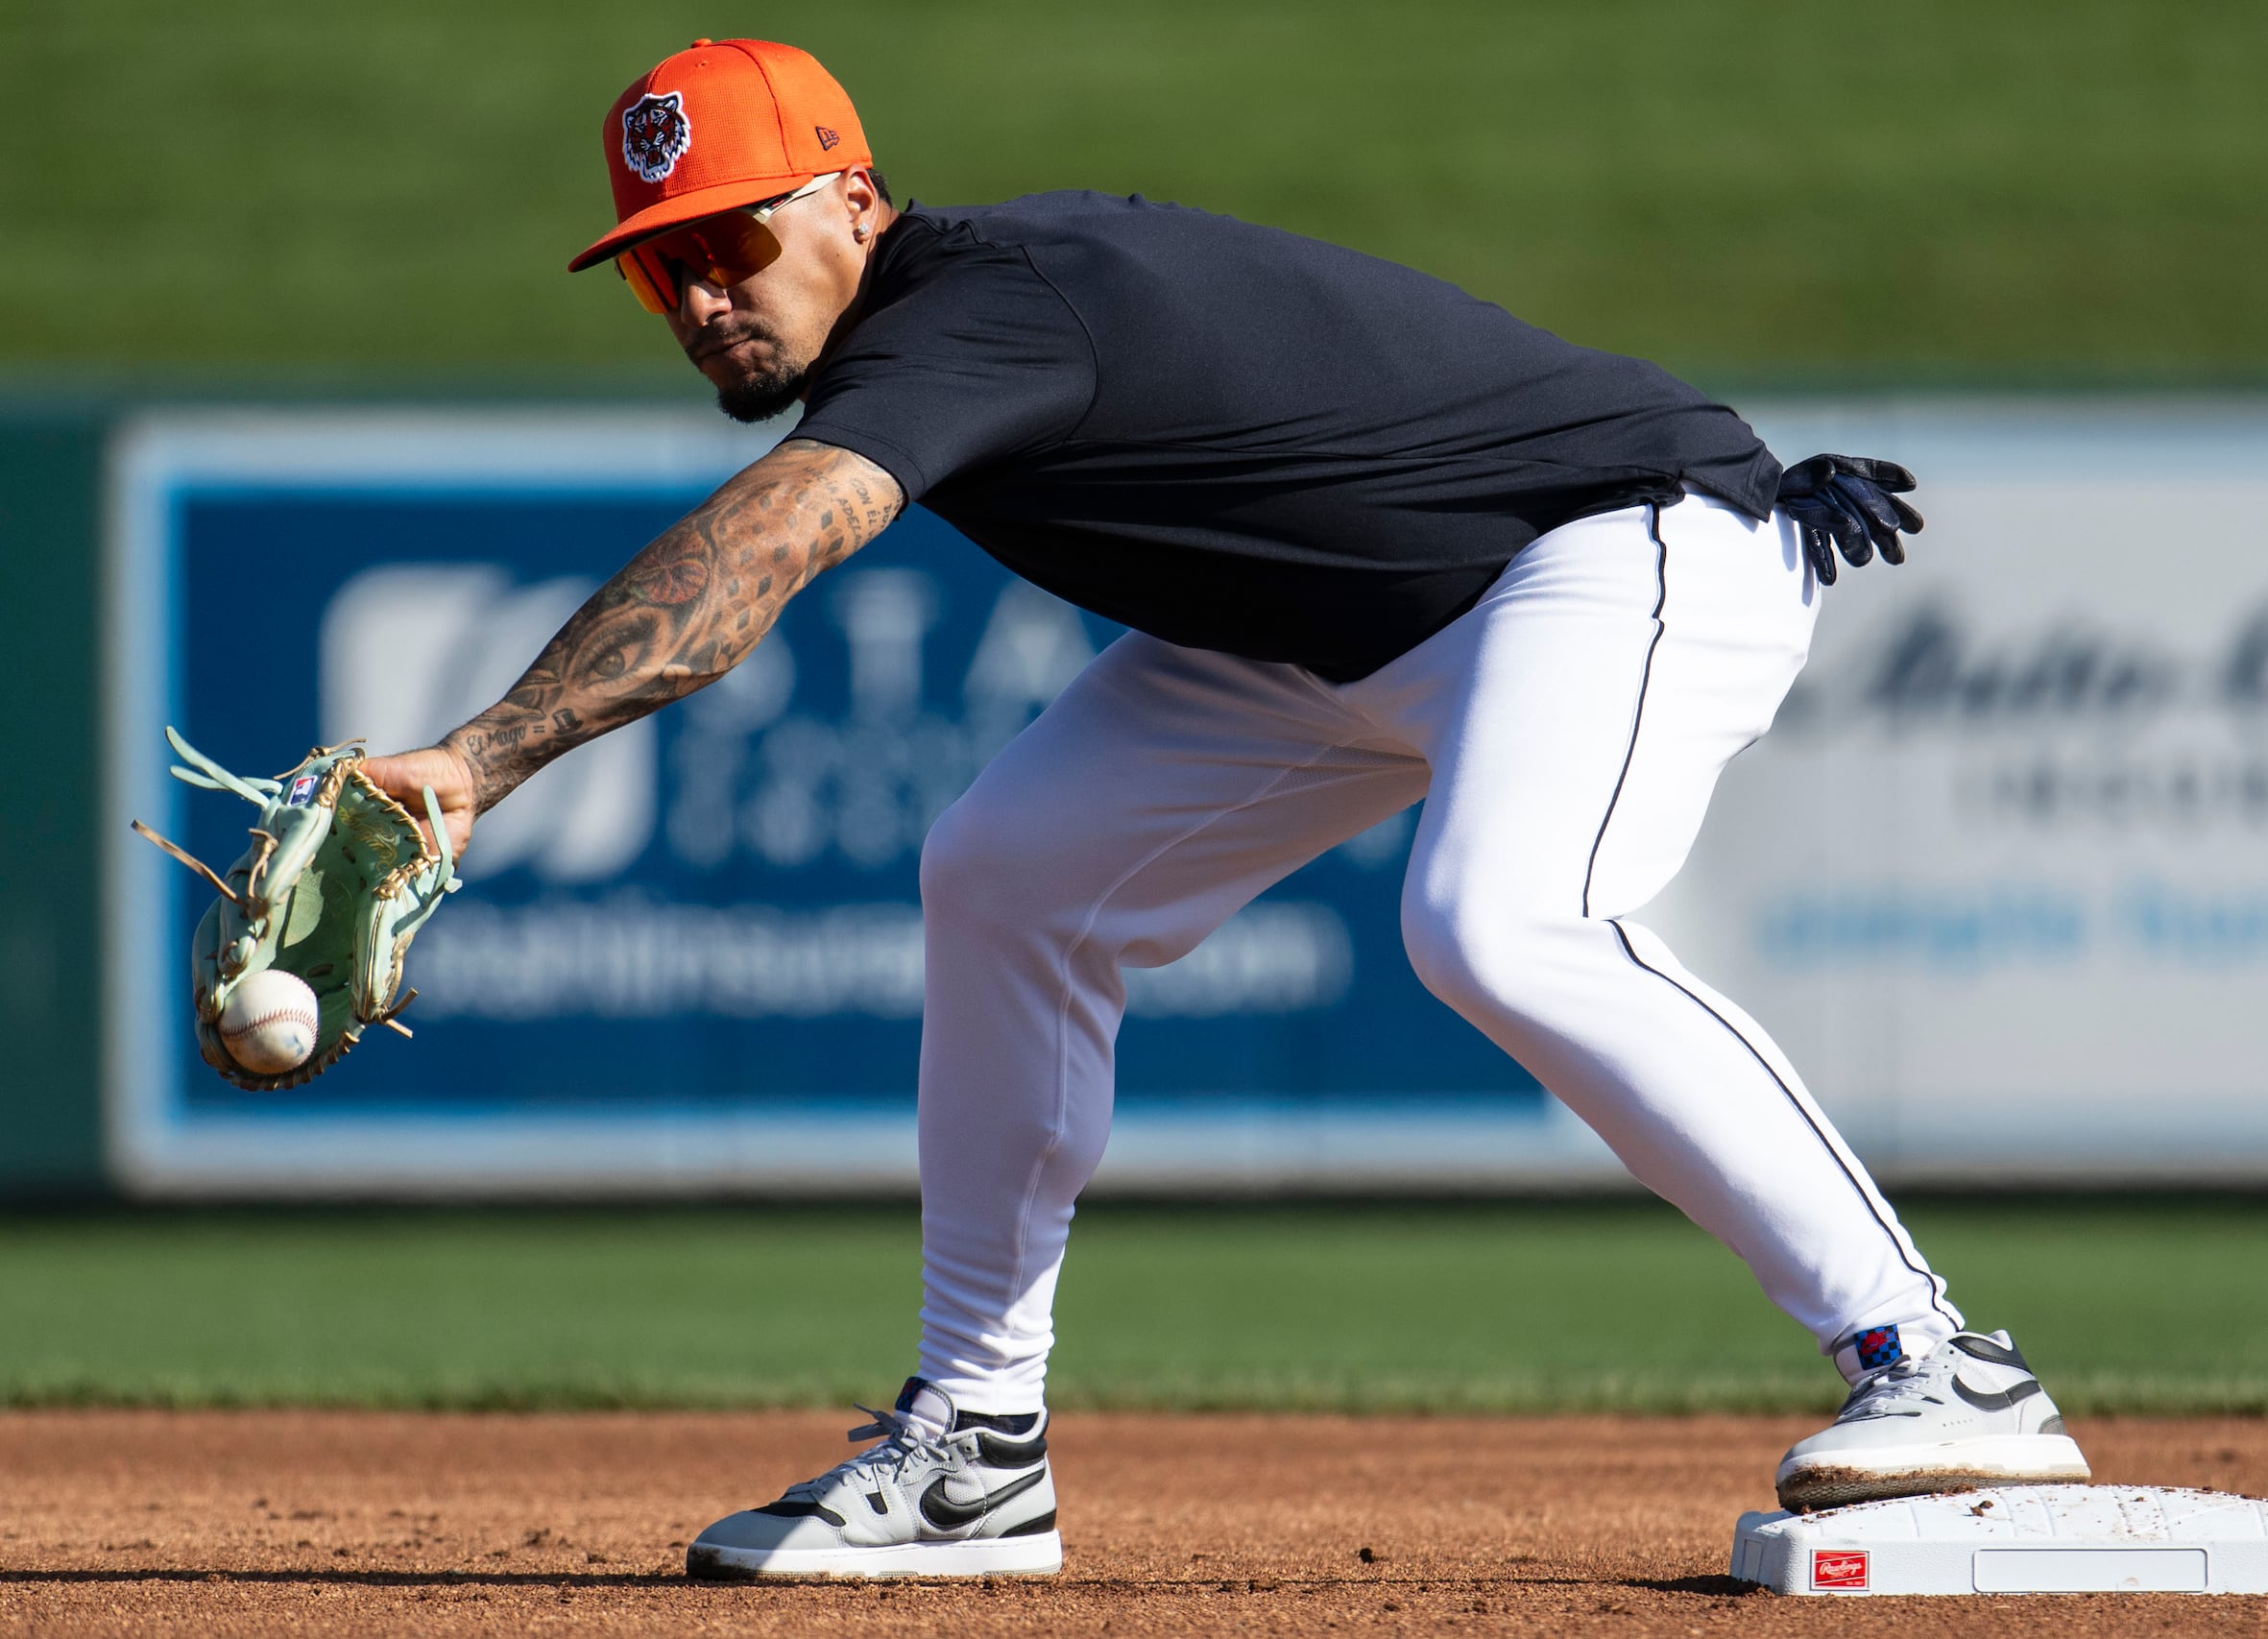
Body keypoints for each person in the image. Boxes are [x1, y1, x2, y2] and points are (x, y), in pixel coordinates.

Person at [363, 37, 2087, 1580]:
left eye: (731, 241)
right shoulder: (946, 318)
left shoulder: (971, 314)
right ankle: (974, 1453)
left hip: (1620, 544)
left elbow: (766, 545)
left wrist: (484, 754)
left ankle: (1938, 1366)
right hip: (1339, 635)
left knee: (1498, 924)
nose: (698, 297)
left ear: (856, 200)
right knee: (1005, 876)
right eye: (659, 266)